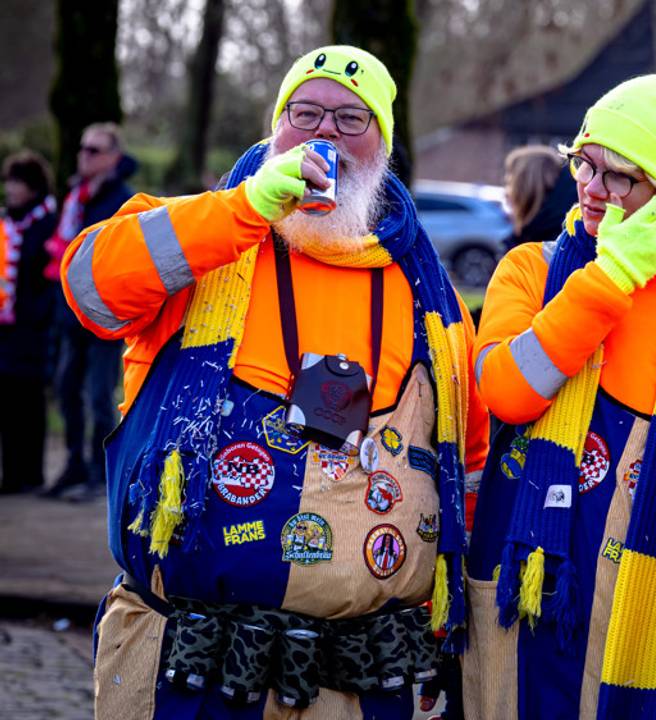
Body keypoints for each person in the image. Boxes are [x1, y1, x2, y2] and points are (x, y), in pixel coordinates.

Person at [61, 45, 488, 718]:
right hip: (191, 666)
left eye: (352, 118)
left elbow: (471, 464)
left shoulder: (430, 296)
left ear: (384, 144)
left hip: (362, 676)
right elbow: (89, 290)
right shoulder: (200, 235)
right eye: (305, 112)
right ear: (275, 127)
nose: (325, 133)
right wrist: (245, 208)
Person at [464, 72, 656, 719]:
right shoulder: (529, 269)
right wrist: (612, 277)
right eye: (584, 162)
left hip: (648, 607)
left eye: (619, 176)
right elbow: (508, 394)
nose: (590, 187)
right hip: (524, 597)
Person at [43, 122, 136, 498]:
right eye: (83, 148)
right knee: (67, 390)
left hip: (103, 315)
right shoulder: (76, 197)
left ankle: (101, 474)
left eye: (94, 150)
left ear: (113, 157)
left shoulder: (123, 201)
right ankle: (74, 465)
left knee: (99, 396)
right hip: (70, 313)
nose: (84, 155)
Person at [0, 151, 59, 494]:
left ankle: (31, 473)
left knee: (31, 400)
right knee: (8, 399)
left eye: (18, 182)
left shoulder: (48, 223)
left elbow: (49, 277)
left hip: (34, 329)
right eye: (9, 181)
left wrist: (37, 315)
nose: (11, 189)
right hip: (6, 327)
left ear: (34, 187)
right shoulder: (7, 222)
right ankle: (11, 474)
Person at [502, 145, 577, 250]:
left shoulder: (551, 238)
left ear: (524, 187)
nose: (507, 194)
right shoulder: (542, 227)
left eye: (509, 184)